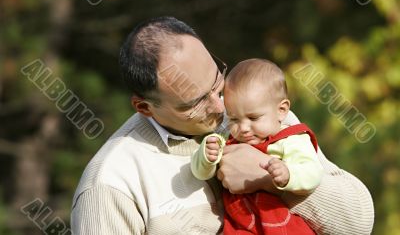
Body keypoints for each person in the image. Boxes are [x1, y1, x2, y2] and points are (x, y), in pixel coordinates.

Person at [71, 16, 374, 234]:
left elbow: (358, 223)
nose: (220, 108)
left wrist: (267, 176)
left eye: (217, 83)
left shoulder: (255, 112)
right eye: (194, 103)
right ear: (144, 107)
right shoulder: (110, 185)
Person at [191, 58, 324, 234]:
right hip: (240, 224)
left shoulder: (291, 139)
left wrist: (288, 175)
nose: (244, 128)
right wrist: (206, 156)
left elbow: (313, 173)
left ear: (281, 110)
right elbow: (201, 173)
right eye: (234, 119)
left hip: (281, 222)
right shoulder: (227, 140)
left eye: (253, 118)